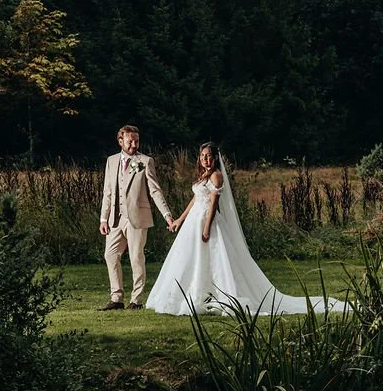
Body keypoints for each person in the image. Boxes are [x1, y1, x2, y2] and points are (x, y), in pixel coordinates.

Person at [145, 142, 346, 316]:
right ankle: (193, 293)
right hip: (193, 221)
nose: (206, 159)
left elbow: (213, 205)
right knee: (189, 258)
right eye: (203, 156)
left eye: (209, 156)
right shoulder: (203, 175)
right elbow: (196, 199)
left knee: (212, 258)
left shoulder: (216, 176)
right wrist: (180, 219)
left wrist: (207, 227)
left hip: (207, 221)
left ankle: (211, 294)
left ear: (215, 158)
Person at [98, 125, 174, 311]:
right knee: (110, 255)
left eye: (136, 141)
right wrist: (103, 219)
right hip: (116, 219)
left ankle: (136, 300)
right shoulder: (111, 161)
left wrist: (167, 216)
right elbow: (107, 192)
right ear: (120, 141)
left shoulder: (145, 161)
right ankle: (116, 298)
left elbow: (155, 191)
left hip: (138, 217)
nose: (133, 145)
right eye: (130, 141)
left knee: (136, 257)